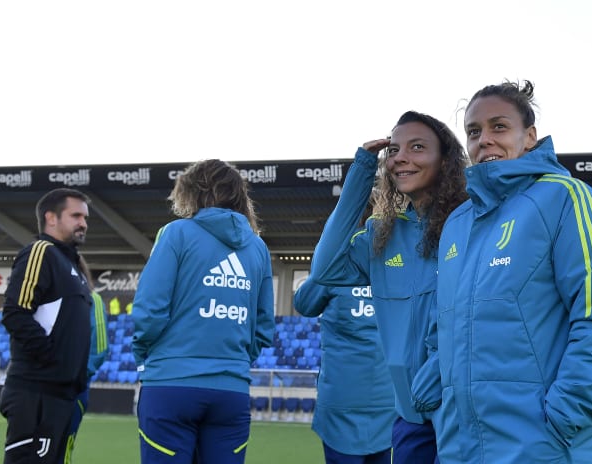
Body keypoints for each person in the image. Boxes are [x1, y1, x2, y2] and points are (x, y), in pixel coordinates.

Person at [420, 80, 592, 463]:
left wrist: (564, 418)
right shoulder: (457, 222)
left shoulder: (566, 197)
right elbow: (443, 330)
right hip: (459, 450)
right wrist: (435, 398)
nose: (484, 139)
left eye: (498, 126)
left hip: (543, 447)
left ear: (530, 136)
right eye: (474, 131)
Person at [310, 110, 469, 463]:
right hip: (411, 416)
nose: (401, 158)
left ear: (445, 161)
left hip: (465, 415)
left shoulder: (472, 221)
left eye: (416, 147)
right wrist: (361, 172)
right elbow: (324, 268)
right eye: (393, 150)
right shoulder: (383, 234)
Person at [131, 159, 275, 464]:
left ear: (191, 192)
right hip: (231, 390)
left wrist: (145, 355)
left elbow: (149, 309)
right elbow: (263, 326)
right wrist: (233, 363)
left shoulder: (176, 233)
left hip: (171, 385)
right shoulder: (257, 247)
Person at [0, 188, 93, 464]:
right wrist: (51, 361)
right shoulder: (41, 252)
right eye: (76, 215)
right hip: (36, 393)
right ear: (51, 218)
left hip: (60, 395)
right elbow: (15, 312)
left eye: (85, 217)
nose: (83, 223)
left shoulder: (71, 265)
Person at [294, 278, 395, 464]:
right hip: (385, 399)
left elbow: (303, 303)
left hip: (343, 401)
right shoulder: (396, 268)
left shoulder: (336, 267)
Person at [64, 290, 110, 463]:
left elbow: (100, 347)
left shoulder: (92, 298)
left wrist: (75, 377)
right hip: (35, 388)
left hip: (71, 389)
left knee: (60, 451)